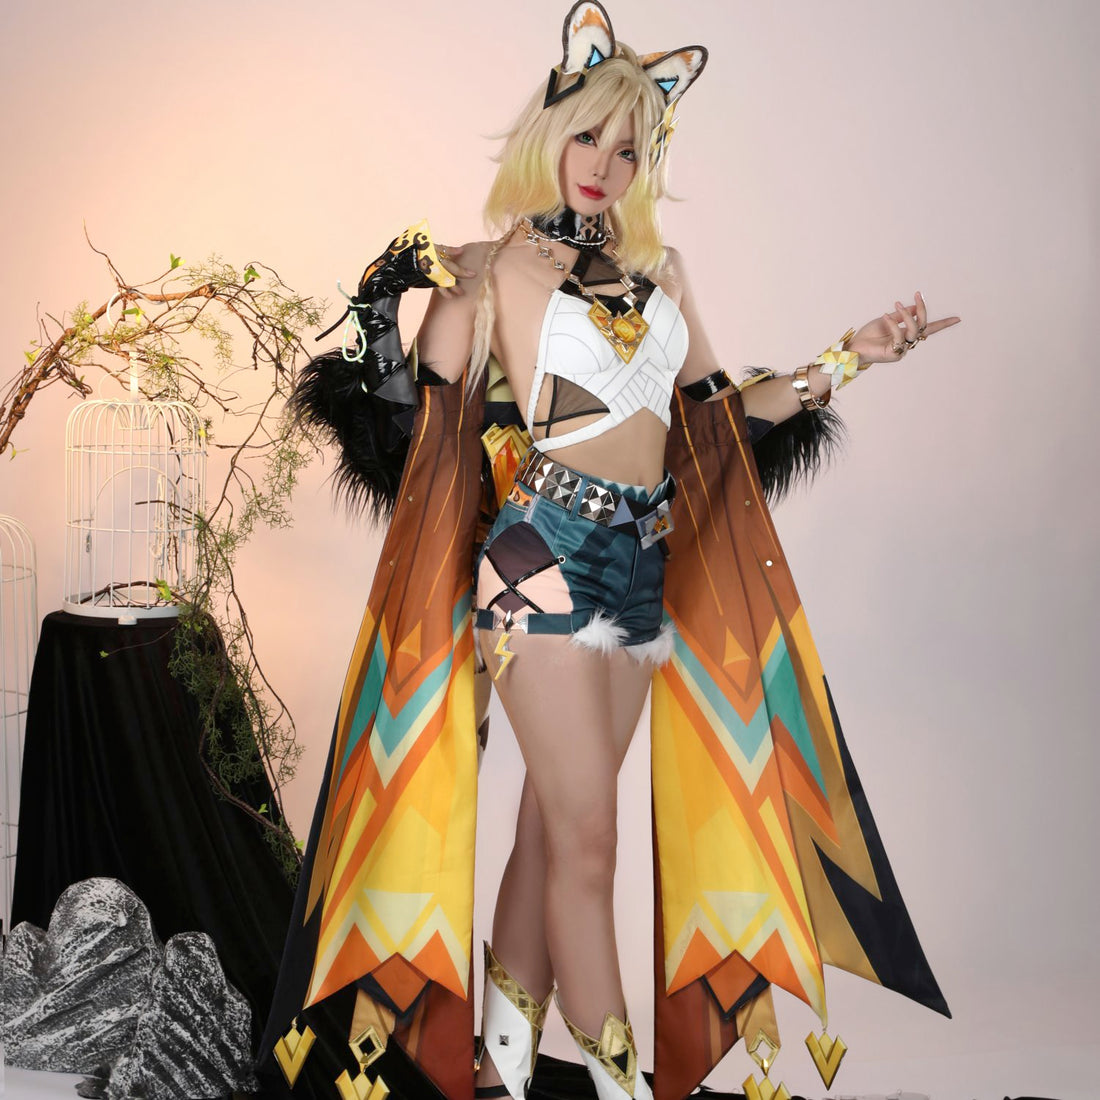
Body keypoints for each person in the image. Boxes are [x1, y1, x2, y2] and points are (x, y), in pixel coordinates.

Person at [262, 4, 957, 1099]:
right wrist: (379, 308)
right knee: (592, 843)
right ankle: (623, 1086)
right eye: (587, 136)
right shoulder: (493, 269)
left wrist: (851, 357)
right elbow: (415, 435)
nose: (603, 164)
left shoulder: (661, 271)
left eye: (629, 149)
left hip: (641, 568)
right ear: (549, 132)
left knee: (553, 831)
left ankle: (502, 1069)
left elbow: (717, 425)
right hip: (535, 557)